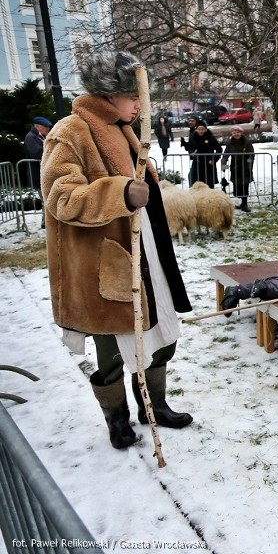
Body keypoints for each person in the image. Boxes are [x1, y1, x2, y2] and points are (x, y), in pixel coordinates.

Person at [40, 50, 193, 450]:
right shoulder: (70, 131)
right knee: (110, 348)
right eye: (133, 95)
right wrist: (120, 192)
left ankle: (153, 405)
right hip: (103, 263)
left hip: (146, 256)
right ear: (110, 95)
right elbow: (61, 197)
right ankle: (117, 419)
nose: (140, 104)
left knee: (161, 335)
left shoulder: (125, 128)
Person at [221, 125, 254, 212]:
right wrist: (223, 165)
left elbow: (251, 154)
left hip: (245, 167)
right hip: (235, 167)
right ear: (232, 133)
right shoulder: (229, 143)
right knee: (237, 185)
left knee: (245, 185)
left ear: (241, 133)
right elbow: (225, 155)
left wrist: (249, 165)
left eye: (238, 132)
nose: (236, 134)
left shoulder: (247, 142)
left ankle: (245, 204)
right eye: (234, 132)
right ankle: (242, 202)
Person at [189, 122, 222, 188]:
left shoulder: (211, 138)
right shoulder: (193, 137)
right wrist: (192, 154)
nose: (201, 131)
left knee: (209, 184)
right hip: (197, 163)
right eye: (199, 129)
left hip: (208, 163)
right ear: (196, 129)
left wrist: (214, 159)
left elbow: (219, 149)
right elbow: (190, 148)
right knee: (197, 183)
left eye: (202, 129)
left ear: (206, 129)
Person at [23, 116, 52, 189]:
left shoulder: (40, 136)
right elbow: (37, 153)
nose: (47, 129)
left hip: (43, 173)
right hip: (36, 173)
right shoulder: (30, 137)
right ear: (37, 127)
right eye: (45, 126)